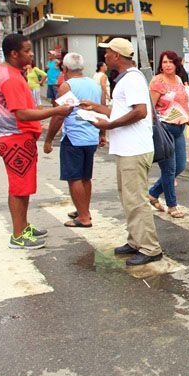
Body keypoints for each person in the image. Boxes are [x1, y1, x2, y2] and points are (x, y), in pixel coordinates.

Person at [80, 37, 164, 266]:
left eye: (107, 53)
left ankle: (150, 247)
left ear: (116, 55)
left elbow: (140, 111)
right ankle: (135, 241)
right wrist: (95, 107)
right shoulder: (126, 79)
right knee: (128, 198)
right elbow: (120, 111)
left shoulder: (133, 79)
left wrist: (107, 126)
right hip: (128, 149)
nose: (104, 57)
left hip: (134, 150)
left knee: (136, 200)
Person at [0, 34, 73, 249]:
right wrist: (56, 110)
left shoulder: (9, 72)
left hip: (17, 138)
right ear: (13, 53)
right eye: (27, 50)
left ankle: (23, 226)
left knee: (22, 188)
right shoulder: (10, 77)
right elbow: (23, 114)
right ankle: (18, 235)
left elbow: (25, 111)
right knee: (19, 189)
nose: (31, 54)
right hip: (15, 140)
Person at [42, 52, 105, 228]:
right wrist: (102, 134)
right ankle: (84, 209)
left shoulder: (66, 86)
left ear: (65, 68)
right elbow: (101, 110)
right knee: (85, 177)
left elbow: (58, 116)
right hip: (91, 135)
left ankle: (83, 217)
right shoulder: (95, 84)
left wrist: (48, 140)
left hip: (74, 138)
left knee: (74, 178)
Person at [147, 51, 189, 219]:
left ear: (176, 64)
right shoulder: (157, 81)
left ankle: (153, 193)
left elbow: (182, 106)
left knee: (181, 166)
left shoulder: (178, 80)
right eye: (164, 62)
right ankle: (172, 205)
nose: (167, 65)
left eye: (170, 62)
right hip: (165, 129)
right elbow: (150, 109)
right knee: (169, 170)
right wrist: (152, 129)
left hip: (180, 128)